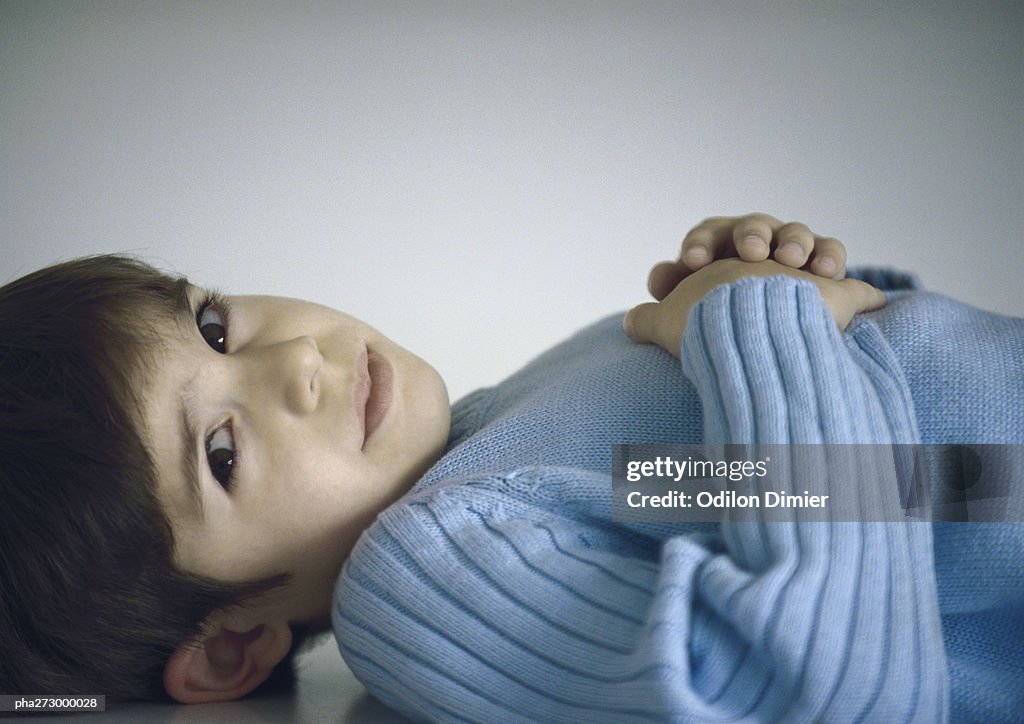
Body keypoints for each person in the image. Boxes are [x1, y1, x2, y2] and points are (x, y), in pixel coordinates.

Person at [0, 215, 1020, 721]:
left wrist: (791, 296)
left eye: (215, 326)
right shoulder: (426, 569)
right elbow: (818, 689)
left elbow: (920, 493)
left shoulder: (494, 453)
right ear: (227, 650)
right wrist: (758, 324)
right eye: (221, 451)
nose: (295, 365)